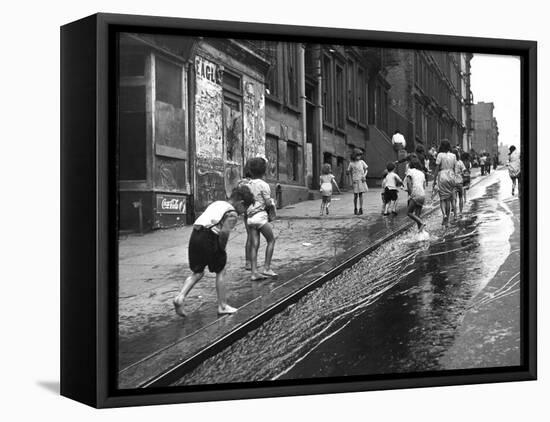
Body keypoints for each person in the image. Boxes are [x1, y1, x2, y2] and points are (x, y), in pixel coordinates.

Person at [173, 185, 255, 317]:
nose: (244, 212)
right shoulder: (232, 213)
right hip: (209, 237)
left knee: (198, 272)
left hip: (195, 235)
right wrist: (221, 250)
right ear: (240, 203)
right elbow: (224, 233)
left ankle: (180, 297)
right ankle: (222, 306)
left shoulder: (218, 203)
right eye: (245, 208)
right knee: (221, 270)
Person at [246, 157, 278, 280]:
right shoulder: (264, 185)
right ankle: (267, 268)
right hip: (260, 218)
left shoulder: (247, 184)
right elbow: (268, 203)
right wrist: (272, 203)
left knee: (254, 244)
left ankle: (254, 272)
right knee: (271, 240)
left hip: (250, 218)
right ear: (264, 171)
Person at [433, 139, 457, 227]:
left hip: (442, 176)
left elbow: (437, 168)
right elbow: (455, 168)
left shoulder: (440, 155)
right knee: (449, 198)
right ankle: (447, 221)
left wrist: (434, 180)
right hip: (451, 175)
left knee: (443, 198)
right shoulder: (453, 155)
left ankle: (444, 215)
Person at [405, 157, 427, 233]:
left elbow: (408, 183)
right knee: (417, 215)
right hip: (422, 194)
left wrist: (410, 194)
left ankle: (421, 222)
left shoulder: (410, 171)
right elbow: (424, 186)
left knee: (409, 212)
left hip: (415, 193)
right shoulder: (422, 173)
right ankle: (421, 233)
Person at [347, 148, 369, 215]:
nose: (359, 157)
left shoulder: (362, 162)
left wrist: (364, 175)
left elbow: (366, 169)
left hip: (361, 180)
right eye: (357, 155)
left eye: (360, 155)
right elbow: (348, 171)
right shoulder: (351, 163)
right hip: (355, 180)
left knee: (361, 195)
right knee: (355, 195)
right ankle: (355, 208)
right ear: (354, 156)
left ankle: (361, 208)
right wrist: (349, 177)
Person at [453, 149, 467, 216]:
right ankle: (460, 212)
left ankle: (455, 214)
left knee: (454, 199)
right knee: (461, 197)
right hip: (460, 182)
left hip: (452, 182)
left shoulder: (451, 162)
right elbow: (464, 170)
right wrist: (461, 173)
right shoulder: (460, 162)